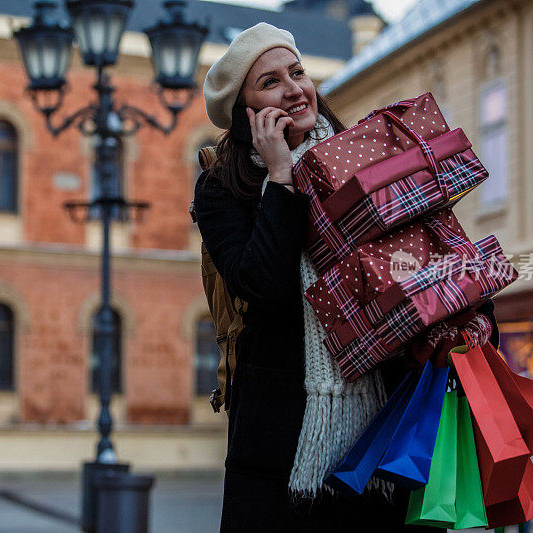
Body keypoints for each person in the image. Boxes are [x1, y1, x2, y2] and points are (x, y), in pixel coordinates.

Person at [193, 23, 498, 532]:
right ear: (244, 111)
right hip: (281, 445)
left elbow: (442, 251)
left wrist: (470, 318)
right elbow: (262, 290)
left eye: (297, 72)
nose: (294, 88)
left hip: (384, 430)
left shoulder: (367, 161)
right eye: (270, 82)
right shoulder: (223, 188)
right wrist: (280, 177)